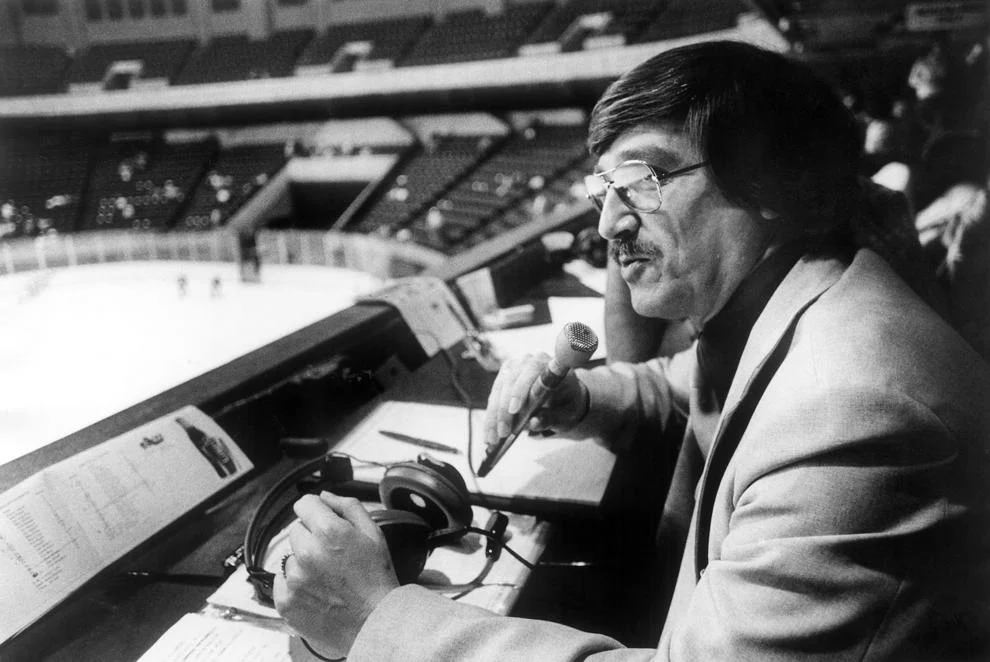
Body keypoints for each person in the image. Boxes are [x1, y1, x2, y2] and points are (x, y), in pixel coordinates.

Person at [274, 41, 990, 661]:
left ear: (772, 182)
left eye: (643, 180)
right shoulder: (807, 305)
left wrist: (377, 619)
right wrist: (579, 397)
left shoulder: (860, 413)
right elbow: (692, 386)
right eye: (602, 190)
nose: (610, 223)